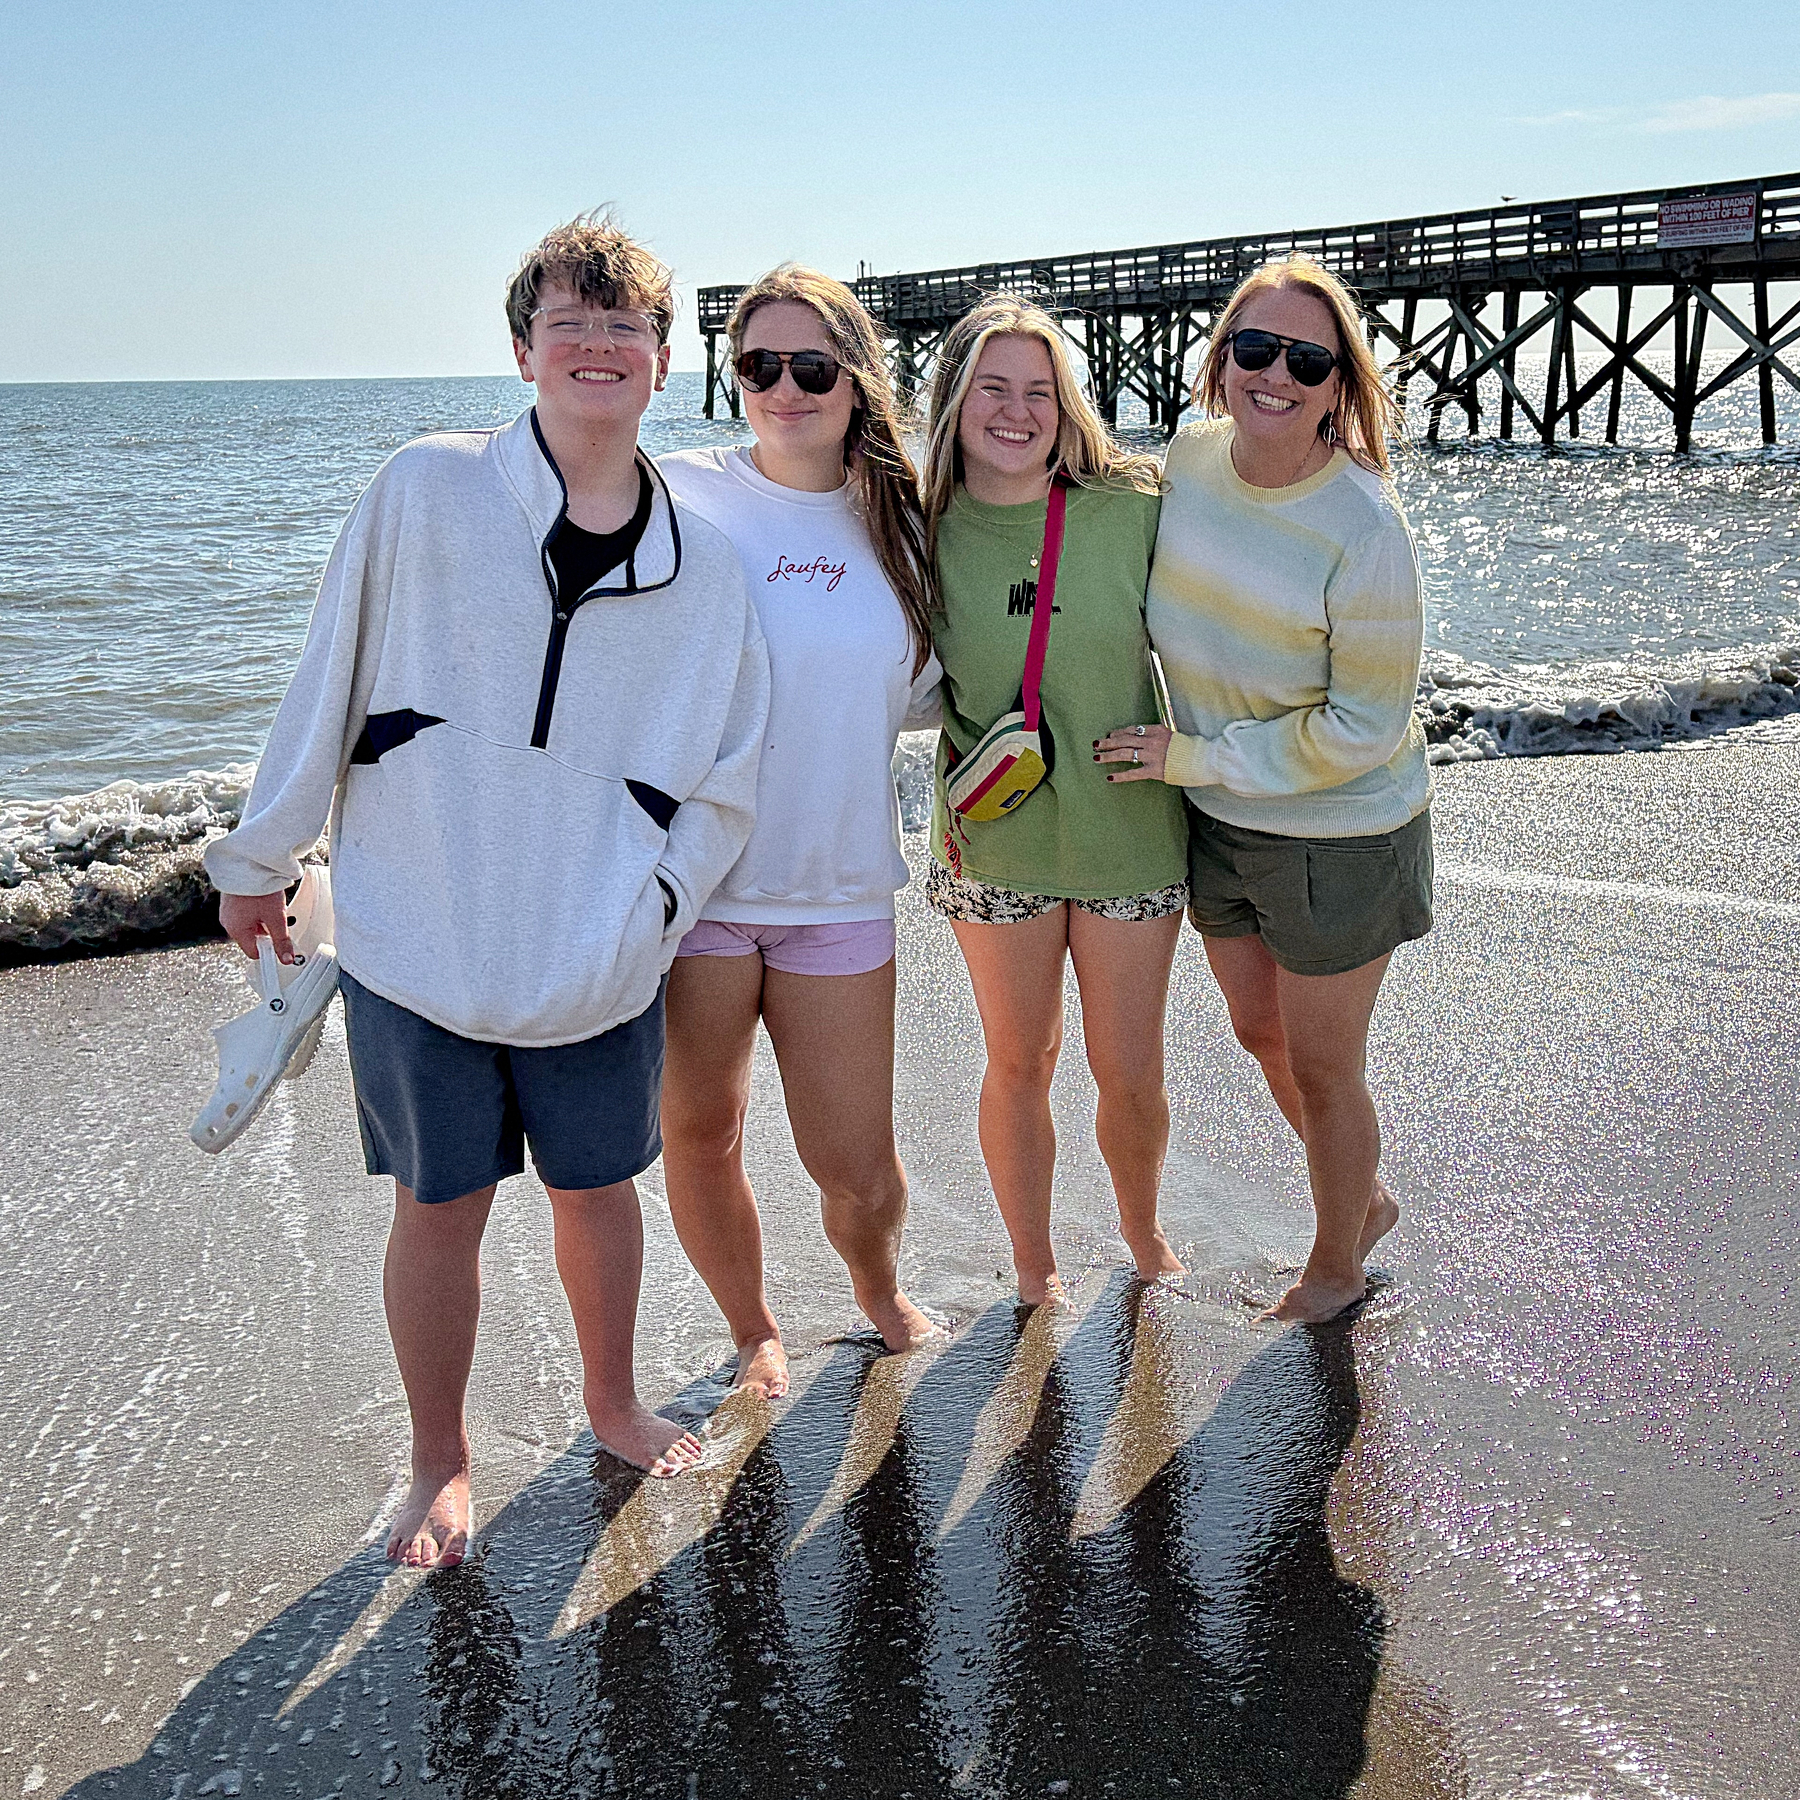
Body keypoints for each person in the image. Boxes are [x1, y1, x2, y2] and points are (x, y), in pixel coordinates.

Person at [203, 214, 771, 1565]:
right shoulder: (423, 491)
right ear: (522, 349)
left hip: (598, 957)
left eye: (622, 325)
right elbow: (326, 677)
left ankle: (614, 1401)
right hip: (419, 933)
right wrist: (257, 856)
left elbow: (729, 776)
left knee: (597, 1194)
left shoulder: (708, 567)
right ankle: (439, 1460)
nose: (595, 346)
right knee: (438, 1208)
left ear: (657, 358)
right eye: (568, 323)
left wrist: (659, 909)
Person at [1099, 253, 1430, 1324]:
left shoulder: (1365, 529)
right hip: (1223, 818)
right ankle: (1361, 1202)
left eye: (1305, 358)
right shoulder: (1189, 462)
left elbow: (1363, 727)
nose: (1274, 373)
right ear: (1219, 359)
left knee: (1328, 1068)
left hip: (1339, 828)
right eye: (1254, 347)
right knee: (1259, 1031)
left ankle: (1336, 1263)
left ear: (1341, 384)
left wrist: (1189, 757)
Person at [657, 266, 943, 1400]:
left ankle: (875, 1285)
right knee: (701, 1131)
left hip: (836, 890)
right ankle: (753, 1326)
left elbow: (952, 685)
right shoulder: (674, 491)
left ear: (856, 380)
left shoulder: (907, 525)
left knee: (857, 1166)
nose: (784, 388)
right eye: (758, 366)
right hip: (695, 892)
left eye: (811, 367)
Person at [921, 297, 1190, 1307]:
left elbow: (1229, 622)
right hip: (995, 842)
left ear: (1067, 402)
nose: (1017, 410)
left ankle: (1144, 1235)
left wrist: (1207, 749)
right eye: (994, 387)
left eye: (1040, 389)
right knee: (1019, 1060)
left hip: (1130, 829)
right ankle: (1033, 1267)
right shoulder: (917, 528)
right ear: (954, 399)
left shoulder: (1133, 505)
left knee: (1129, 1073)